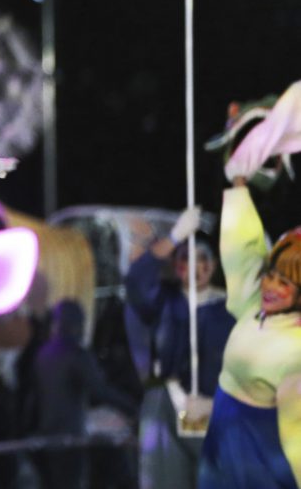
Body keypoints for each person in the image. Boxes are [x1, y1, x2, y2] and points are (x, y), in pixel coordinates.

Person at [197, 181, 301, 486]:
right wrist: (239, 190)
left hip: (258, 457)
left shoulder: (296, 348)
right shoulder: (254, 308)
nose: (270, 286)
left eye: (285, 283)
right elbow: (243, 253)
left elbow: (297, 434)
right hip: (222, 445)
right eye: (271, 275)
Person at [124, 206, 232, 488]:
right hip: (168, 409)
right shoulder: (164, 301)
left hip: (217, 413)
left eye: (203, 259)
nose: (195, 267)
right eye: (186, 259)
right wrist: (174, 237)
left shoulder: (231, 309)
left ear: (214, 265)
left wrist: (216, 403)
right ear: (176, 266)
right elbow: (136, 280)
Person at [31, 299, 137, 489]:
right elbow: (100, 391)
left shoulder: (42, 354)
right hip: (70, 439)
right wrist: (132, 407)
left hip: (45, 437)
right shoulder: (76, 355)